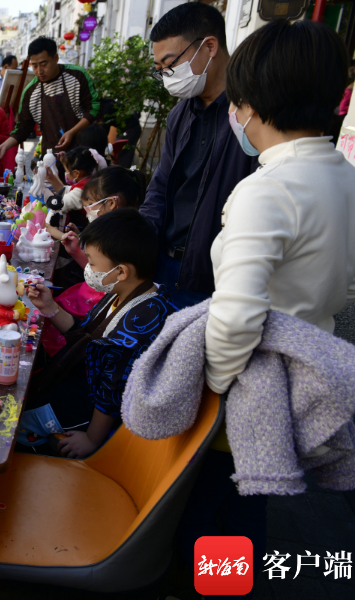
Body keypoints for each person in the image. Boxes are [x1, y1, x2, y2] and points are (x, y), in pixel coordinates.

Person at [177, 18, 355, 579]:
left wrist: (206, 386)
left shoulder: (267, 190)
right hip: (306, 371)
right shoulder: (344, 179)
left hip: (249, 386)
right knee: (250, 503)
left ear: (251, 104)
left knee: (213, 513)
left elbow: (235, 317)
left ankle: (211, 586)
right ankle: (229, 583)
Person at [22, 209, 177, 457]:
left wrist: (93, 438)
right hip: (81, 381)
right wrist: (50, 308)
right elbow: (86, 334)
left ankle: (38, 450)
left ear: (122, 272)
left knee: (18, 423)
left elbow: (110, 389)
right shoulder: (127, 291)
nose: (88, 268)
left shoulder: (135, 326)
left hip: (91, 409)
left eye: (92, 263)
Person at [142, 2, 259, 309]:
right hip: (166, 264)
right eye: (161, 71)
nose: (168, 77)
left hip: (218, 276)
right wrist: (138, 238)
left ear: (209, 46)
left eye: (171, 65)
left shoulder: (253, 114)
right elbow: (162, 184)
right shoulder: (181, 114)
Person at [0, 37, 99, 161]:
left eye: (44, 64)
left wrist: (72, 132)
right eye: (34, 66)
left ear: (56, 58)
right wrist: (4, 146)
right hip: (52, 157)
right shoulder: (30, 91)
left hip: (83, 155)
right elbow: (23, 128)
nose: (39, 71)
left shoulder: (77, 76)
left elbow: (93, 108)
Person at [59, 166, 148, 269]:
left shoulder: (119, 240)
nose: (88, 211)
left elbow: (99, 276)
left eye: (91, 204)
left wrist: (76, 251)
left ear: (111, 203)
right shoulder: (119, 228)